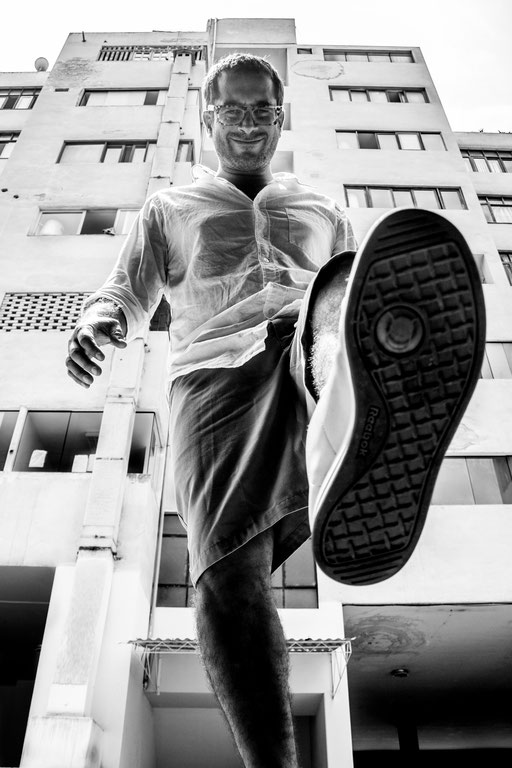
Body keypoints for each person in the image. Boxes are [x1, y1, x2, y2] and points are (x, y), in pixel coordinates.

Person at [66, 53, 485, 768]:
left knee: (336, 301)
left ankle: (359, 414)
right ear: (207, 118)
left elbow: (355, 288)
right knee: (228, 579)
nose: (250, 124)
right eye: (233, 110)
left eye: (263, 110)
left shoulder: (322, 210)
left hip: (305, 351)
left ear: (281, 116)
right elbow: (126, 291)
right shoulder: (170, 209)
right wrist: (98, 321)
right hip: (213, 379)